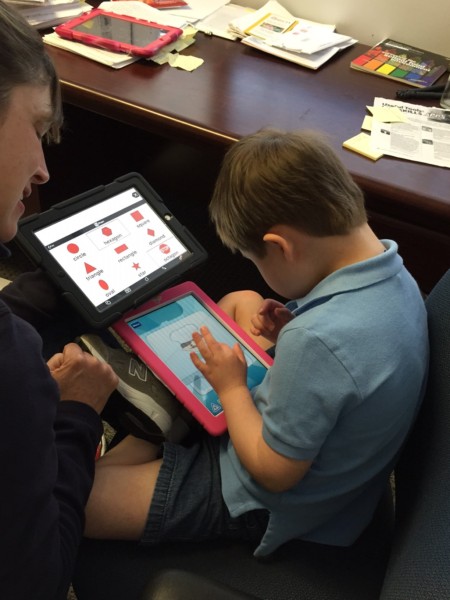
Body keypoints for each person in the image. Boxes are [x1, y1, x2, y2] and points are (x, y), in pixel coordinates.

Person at [81, 128, 429, 558]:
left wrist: (230, 389)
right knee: (241, 301)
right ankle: (171, 415)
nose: (257, 271)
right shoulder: (396, 273)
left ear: (280, 247)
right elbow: (348, 366)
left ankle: (168, 419)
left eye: (253, 261)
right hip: (333, 469)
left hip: (266, 499)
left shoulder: (318, 340)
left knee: (73, 499)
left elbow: (273, 472)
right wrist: (289, 331)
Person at [0, 2, 119, 598]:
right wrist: (75, 416)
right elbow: (38, 580)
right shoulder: (13, 366)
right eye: (38, 128)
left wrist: (30, 301)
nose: (44, 169)